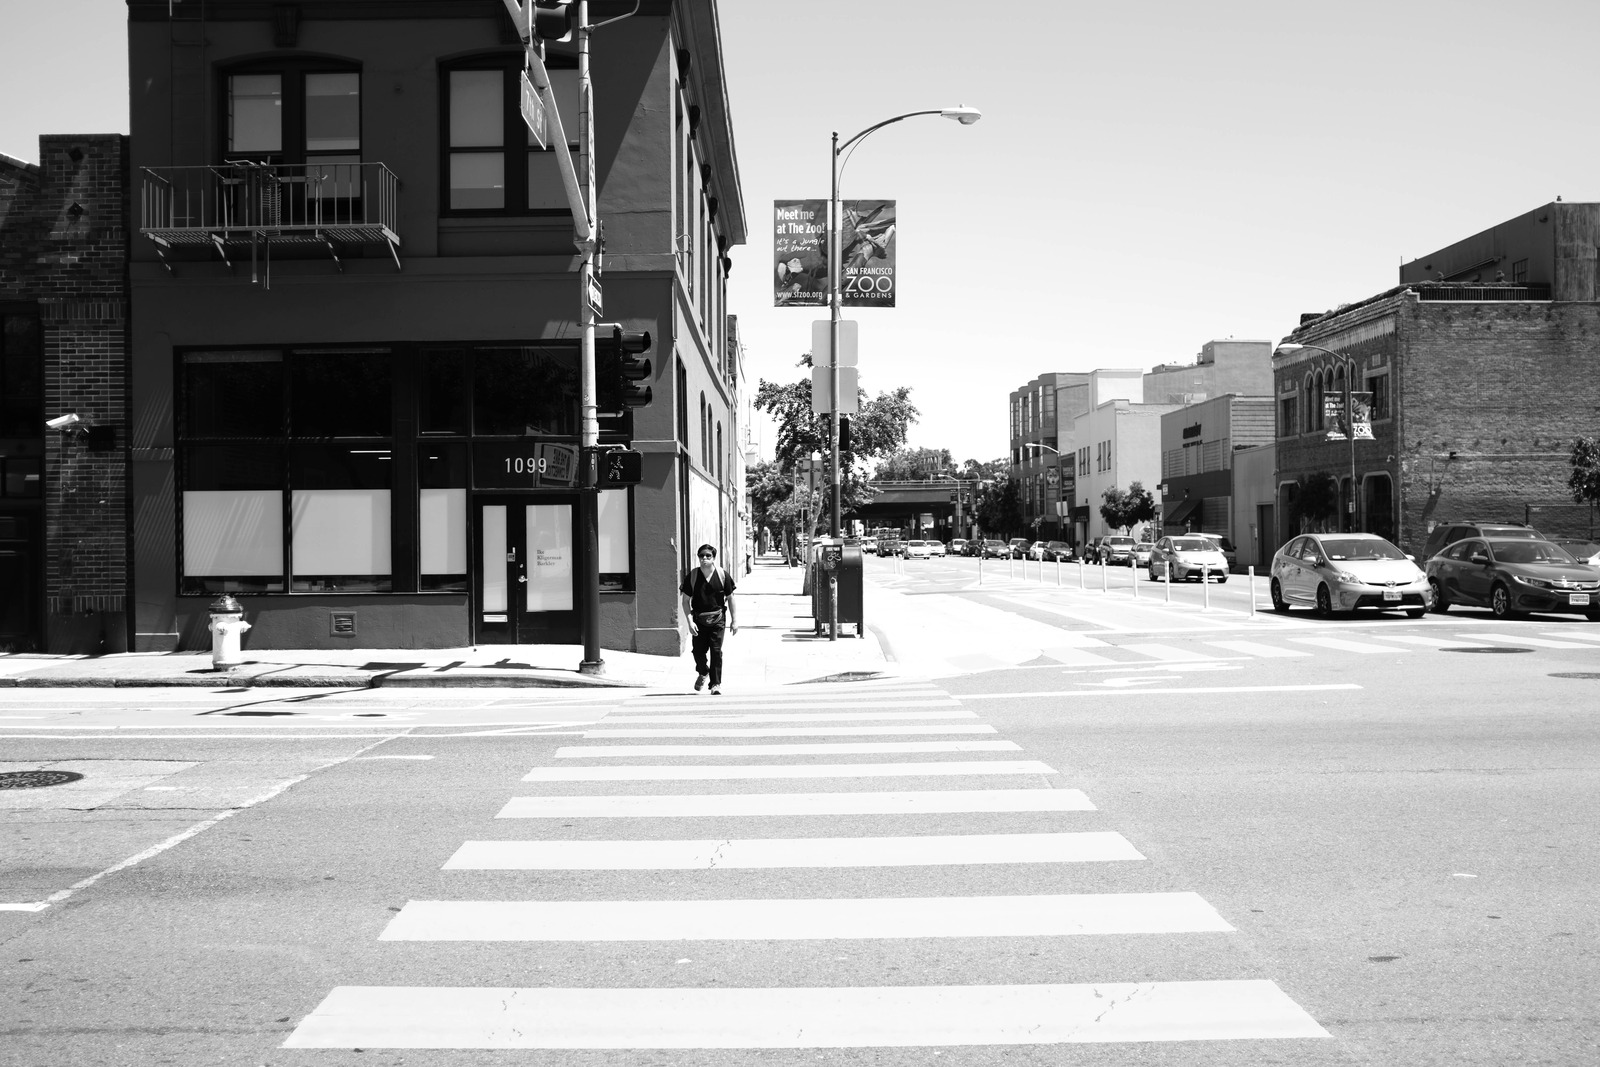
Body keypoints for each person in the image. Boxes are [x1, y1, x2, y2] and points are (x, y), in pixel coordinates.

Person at [680, 543, 737, 694]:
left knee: (716, 651)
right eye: (701, 556)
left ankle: (715, 684)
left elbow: (731, 598)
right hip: (698, 620)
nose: (704, 558)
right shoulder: (692, 576)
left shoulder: (722, 575)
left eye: (708, 556)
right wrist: (690, 621)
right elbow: (685, 601)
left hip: (718, 619)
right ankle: (703, 671)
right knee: (698, 652)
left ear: (713, 558)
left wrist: (735, 620)